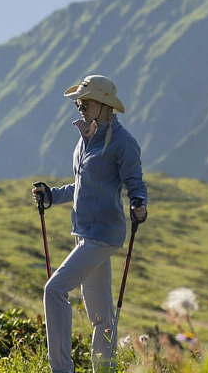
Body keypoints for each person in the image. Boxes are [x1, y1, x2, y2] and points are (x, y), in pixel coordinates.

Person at [32, 74, 148, 373]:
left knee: (54, 290)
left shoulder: (123, 142)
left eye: (86, 102)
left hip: (102, 235)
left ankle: (61, 369)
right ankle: (104, 368)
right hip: (84, 233)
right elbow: (83, 185)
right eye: (78, 103)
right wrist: (51, 197)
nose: (80, 107)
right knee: (101, 315)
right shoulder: (88, 137)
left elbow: (135, 182)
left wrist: (138, 203)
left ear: (106, 105)